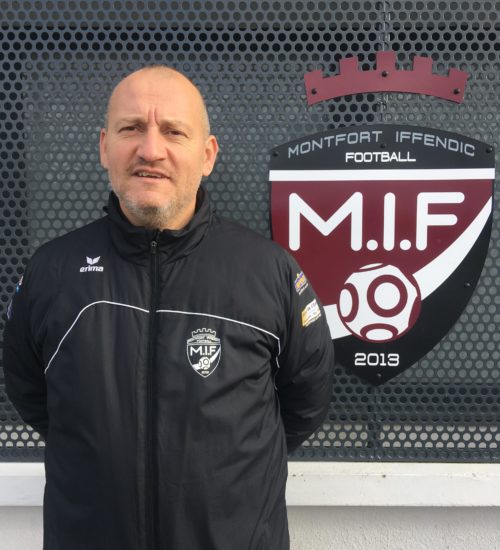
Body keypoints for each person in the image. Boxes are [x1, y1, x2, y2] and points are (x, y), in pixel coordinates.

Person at [3, 65, 334, 550]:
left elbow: (305, 401)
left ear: (207, 155)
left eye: (174, 132)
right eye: (131, 128)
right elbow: (31, 393)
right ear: (104, 147)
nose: (151, 150)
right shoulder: (52, 272)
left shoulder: (268, 271)